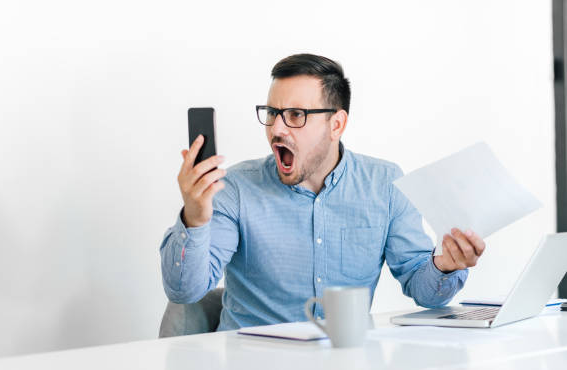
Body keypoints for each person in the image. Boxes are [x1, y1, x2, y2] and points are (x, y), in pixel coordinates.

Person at [160, 54, 486, 331]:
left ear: (337, 125)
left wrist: (445, 265)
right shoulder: (235, 188)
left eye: (295, 115)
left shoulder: (384, 185)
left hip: (345, 358)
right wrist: (195, 218)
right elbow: (185, 291)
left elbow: (423, 289)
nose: (276, 128)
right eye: (272, 113)